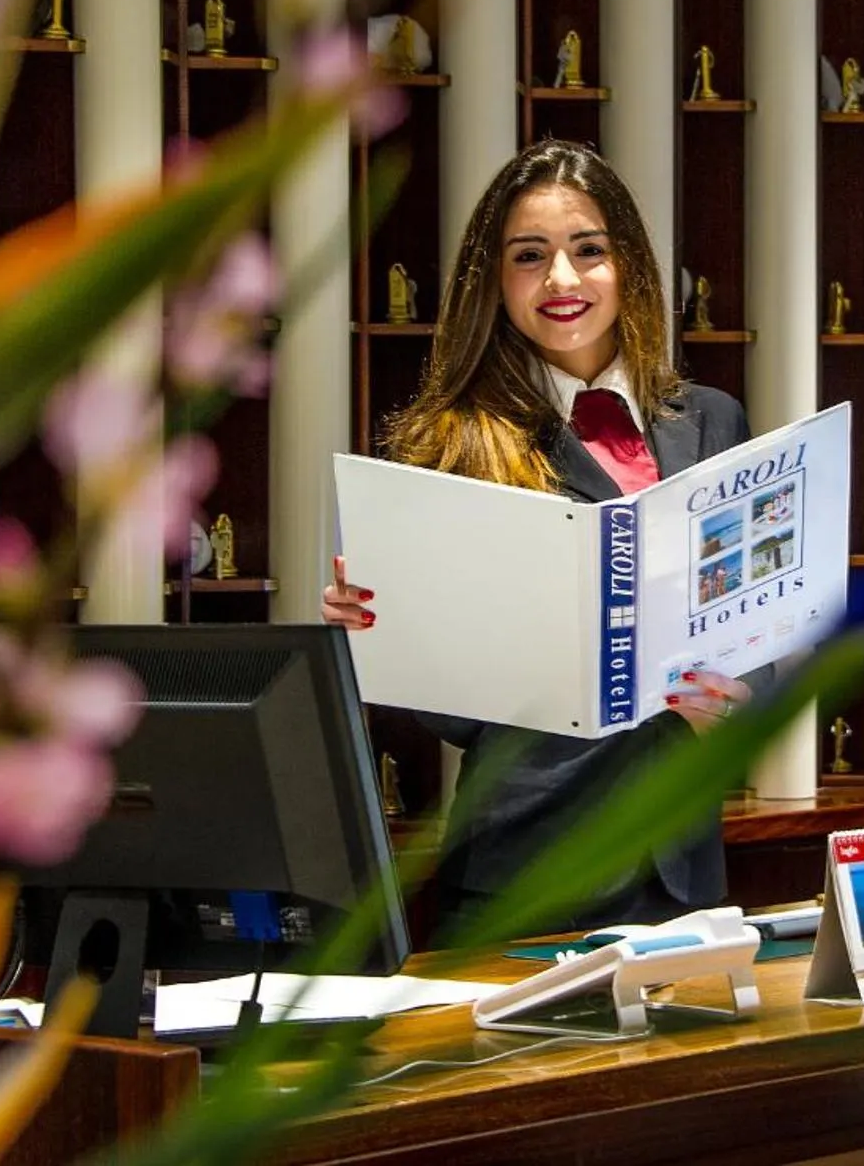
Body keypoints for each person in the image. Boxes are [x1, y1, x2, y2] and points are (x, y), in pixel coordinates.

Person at [324, 140, 756, 936]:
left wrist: (738, 699)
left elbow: (749, 610)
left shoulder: (712, 419)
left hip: (681, 875)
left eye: (587, 250)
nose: (562, 279)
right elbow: (457, 720)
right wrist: (381, 627)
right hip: (519, 872)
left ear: (626, 264)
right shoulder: (449, 443)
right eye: (530, 256)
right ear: (496, 281)